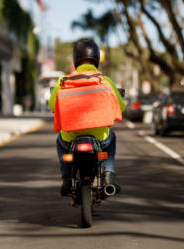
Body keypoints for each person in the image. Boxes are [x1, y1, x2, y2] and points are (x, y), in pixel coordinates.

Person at [48, 39, 126, 196]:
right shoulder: (106, 80)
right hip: (100, 138)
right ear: (96, 58)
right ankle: (109, 174)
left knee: (59, 141)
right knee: (112, 138)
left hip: (70, 139)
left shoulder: (62, 82)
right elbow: (121, 107)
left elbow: (52, 105)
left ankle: (66, 177)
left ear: (75, 59)